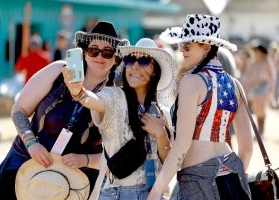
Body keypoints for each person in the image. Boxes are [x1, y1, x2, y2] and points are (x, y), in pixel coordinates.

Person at [0, 21, 128, 200]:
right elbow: (19, 110)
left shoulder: (118, 94)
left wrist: (85, 159)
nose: (100, 56)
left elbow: (119, 153)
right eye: (93, 50)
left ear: (116, 57)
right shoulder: (58, 70)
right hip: (25, 165)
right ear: (84, 51)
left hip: (74, 184)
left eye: (108, 52)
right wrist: (31, 143)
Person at [148, 14, 253, 200]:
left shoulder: (192, 81)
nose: (182, 50)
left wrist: (157, 190)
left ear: (206, 46)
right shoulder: (235, 84)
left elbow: (182, 145)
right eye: (181, 44)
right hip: (232, 173)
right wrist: (235, 181)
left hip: (197, 179)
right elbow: (247, 148)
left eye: (188, 45)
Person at [62, 38, 175, 199]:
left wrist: (161, 134)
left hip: (154, 194)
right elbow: (93, 100)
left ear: (155, 70)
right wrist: (78, 92)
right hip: (117, 194)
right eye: (130, 59)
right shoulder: (113, 96)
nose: (135, 66)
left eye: (143, 61)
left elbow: (170, 164)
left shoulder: (162, 112)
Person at [242, 44, 276, 135]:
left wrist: (270, 89)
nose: (256, 53)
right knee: (257, 110)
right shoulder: (253, 63)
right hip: (255, 88)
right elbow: (248, 77)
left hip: (264, 88)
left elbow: (272, 76)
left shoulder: (267, 62)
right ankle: (259, 131)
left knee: (261, 110)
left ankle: (261, 131)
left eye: (257, 51)